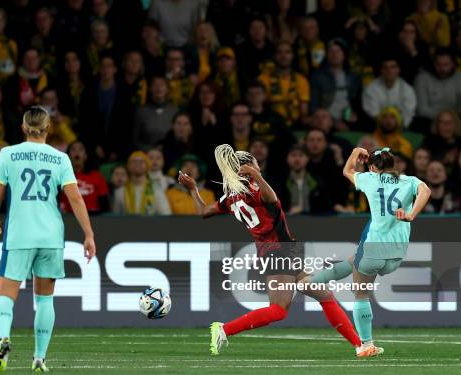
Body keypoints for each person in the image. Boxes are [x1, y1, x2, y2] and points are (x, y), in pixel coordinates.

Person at [177, 144, 362, 356]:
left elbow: (203, 211)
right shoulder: (255, 189)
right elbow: (272, 199)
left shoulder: (231, 197)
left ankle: (360, 346)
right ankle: (223, 329)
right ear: (248, 166)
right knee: (279, 310)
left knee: (325, 295)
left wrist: (193, 189)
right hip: (278, 252)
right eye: (255, 163)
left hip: (278, 253)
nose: (258, 165)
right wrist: (256, 175)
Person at [0, 106, 96, 373]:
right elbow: (75, 198)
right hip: (50, 236)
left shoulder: (8, 154)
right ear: (48, 128)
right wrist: (88, 234)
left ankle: (4, 340)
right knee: (45, 300)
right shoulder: (60, 159)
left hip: (20, 233)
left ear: (24, 128)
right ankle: (39, 359)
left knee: (5, 294)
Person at [302, 147, 431, 356]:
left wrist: (354, 151)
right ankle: (314, 281)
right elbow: (426, 191)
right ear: (394, 165)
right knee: (354, 261)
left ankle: (366, 345)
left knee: (361, 293)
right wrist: (410, 214)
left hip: (373, 247)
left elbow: (347, 171)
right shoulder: (410, 181)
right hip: (397, 252)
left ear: (372, 167)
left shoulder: (370, 179)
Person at [258, 41, 310, 127]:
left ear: (292, 56)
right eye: (279, 52)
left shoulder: (301, 80)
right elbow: (259, 106)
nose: (283, 56)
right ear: (274, 56)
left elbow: (304, 110)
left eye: (287, 52)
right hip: (270, 124)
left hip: (295, 125)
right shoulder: (263, 79)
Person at [362, 57, 417, 129]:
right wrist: (387, 123)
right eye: (385, 68)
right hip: (377, 125)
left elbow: (408, 113)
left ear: (398, 70)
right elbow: (372, 112)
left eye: (393, 67)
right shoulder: (371, 88)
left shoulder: (407, 90)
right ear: (381, 71)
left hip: (400, 127)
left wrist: (398, 125)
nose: (389, 71)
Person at [112, 151, 171, 215]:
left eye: (141, 161)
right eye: (134, 161)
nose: (138, 163)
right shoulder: (120, 192)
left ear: (147, 166)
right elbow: (116, 219)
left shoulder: (156, 190)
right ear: (128, 166)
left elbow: (166, 215)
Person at [60, 140, 109, 214]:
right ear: (68, 156)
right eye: (73, 149)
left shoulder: (97, 176)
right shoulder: (60, 176)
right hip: (68, 218)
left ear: (86, 156)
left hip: (93, 219)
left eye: (80, 149)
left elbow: (104, 204)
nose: (77, 152)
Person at [414, 49, 461, 124]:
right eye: (438, 64)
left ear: (453, 64)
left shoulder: (459, 78)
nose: (442, 69)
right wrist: (444, 119)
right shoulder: (422, 78)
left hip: (455, 121)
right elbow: (421, 109)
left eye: (446, 65)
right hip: (429, 121)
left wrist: (450, 119)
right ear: (433, 63)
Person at [133, 76, 178, 150]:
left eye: (162, 85)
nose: (158, 88)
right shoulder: (140, 111)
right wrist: (151, 150)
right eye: (155, 85)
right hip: (146, 154)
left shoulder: (175, 111)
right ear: (150, 89)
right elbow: (135, 139)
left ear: (167, 89)